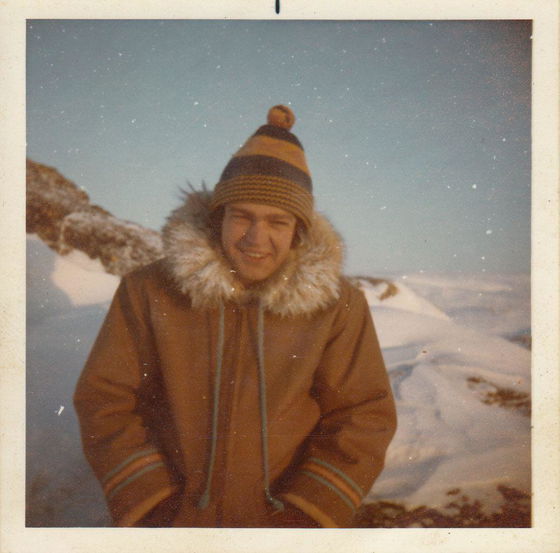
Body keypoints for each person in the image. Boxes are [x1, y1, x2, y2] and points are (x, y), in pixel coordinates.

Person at [74, 105, 397, 528]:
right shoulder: (148, 291)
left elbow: (363, 415)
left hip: (280, 525)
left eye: (277, 221)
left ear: (298, 230)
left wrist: (307, 513)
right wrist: (150, 501)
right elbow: (105, 399)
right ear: (218, 218)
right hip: (172, 521)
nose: (255, 238)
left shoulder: (337, 306)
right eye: (241, 216)